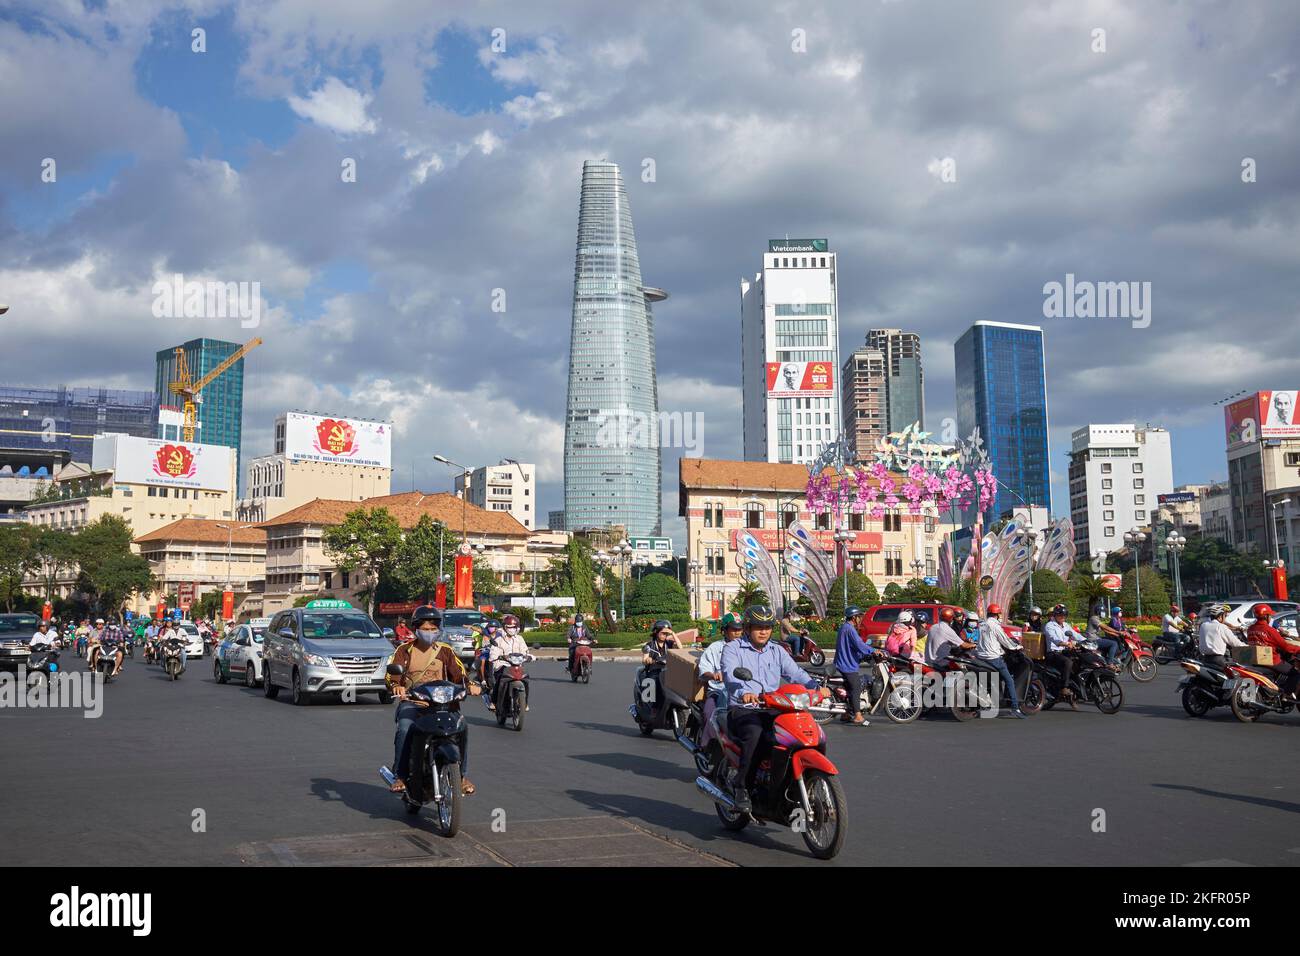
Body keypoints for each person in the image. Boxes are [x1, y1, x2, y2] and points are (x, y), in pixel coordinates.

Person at [720, 605, 828, 813]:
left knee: (798, 733)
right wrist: (744, 692)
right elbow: (730, 674)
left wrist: (817, 688)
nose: (764, 631)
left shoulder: (777, 650)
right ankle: (741, 786)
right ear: (747, 627)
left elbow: (795, 674)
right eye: (758, 627)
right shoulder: (733, 648)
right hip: (744, 709)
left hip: (774, 707)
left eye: (768, 627)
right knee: (756, 734)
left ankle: (788, 785)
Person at [386, 605, 479, 797]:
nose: (430, 633)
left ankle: (461, 776)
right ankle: (400, 776)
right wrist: (397, 686)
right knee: (405, 728)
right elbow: (391, 674)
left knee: (462, 727)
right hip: (414, 702)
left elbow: (459, 674)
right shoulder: (404, 650)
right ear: (416, 629)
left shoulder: (446, 651)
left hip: (443, 705)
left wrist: (469, 685)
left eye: (433, 629)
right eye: (425, 629)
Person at [977, 604, 1026, 718]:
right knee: (1009, 680)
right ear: (997, 615)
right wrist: (1017, 647)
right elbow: (1005, 641)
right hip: (993, 658)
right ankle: (1015, 707)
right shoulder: (995, 626)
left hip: (980, 657)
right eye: (999, 614)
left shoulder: (982, 625)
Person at [833, 606, 878, 726]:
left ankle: (845, 713)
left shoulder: (845, 627)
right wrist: (873, 651)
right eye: (859, 617)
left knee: (848, 688)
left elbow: (853, 646)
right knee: (856, 687)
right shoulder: (850, 629)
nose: (860, 619)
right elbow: (859, 645)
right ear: (854, 617)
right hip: (846, 664)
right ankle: (858, 715)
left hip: (843, 662)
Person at [1246, 604, 1300, 700]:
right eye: (1270, 615)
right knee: (1295, 673)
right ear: (1266, 616)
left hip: (1254, 659)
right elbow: (1285, 646)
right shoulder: (1269, 630)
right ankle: (1286, 695)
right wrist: (1298, 649)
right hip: (1270, 660)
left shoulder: (1250, 629)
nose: (1271, 617)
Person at [697, 612, 744, 717]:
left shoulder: (747, 648)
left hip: (742, 692)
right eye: (734, 629)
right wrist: (714, 675)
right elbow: (704, 671)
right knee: (709, 714)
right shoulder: (714, 648)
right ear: (724, 631)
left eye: (739, 629)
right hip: (718, 691)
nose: (737, 633)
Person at [487, 614, 531, 709]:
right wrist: (498, 657)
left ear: (517, 628)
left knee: (526, 679)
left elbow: (525, 651)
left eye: (514, 627)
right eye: (509, 627)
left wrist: (528, 657)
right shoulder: (499, 640)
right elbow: (493, 653)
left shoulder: (520, 639)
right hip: (503, 665)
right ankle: (494, 702)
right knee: (499, 680)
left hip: (517, 665)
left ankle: (525, 703)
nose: (511, 629)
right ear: (505, 628)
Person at [1042, 605, 1082, 706]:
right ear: (1055, 615)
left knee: (1080, 659)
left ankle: (1077, 687)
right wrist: (1065, 643)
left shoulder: (1066, 625)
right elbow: (1054, 638)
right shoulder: (1050, 625)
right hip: (1053, 653)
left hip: (1064, 651)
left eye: (1064, 615)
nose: (1062, 617)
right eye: (1060, 615)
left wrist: (1088, 641)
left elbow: (1076, 635)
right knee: (1068, 662)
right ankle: (1064, 687)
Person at [1198, 604, 1246, 670]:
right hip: (1218, 660)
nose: (1225, 618)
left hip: (1204, 659)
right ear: (1220, 616)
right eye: (1225, 616)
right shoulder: (1221, 627)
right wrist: (1247, 646)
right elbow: (1235, 643)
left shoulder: (1203, 625)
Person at [1086, 604, 1123, 668]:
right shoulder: (1093, 618)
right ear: (1099, 612)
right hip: (1092, 639)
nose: (1104, 613)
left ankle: (1105, 659)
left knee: (1110, 640)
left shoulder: (1097, 619)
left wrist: (1117, 635)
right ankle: (1110, 663)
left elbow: (1105, 630)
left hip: (1096, 638)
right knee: (1114, 643)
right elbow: (1105, 627)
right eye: (1103, 612)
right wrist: (1118, 632)